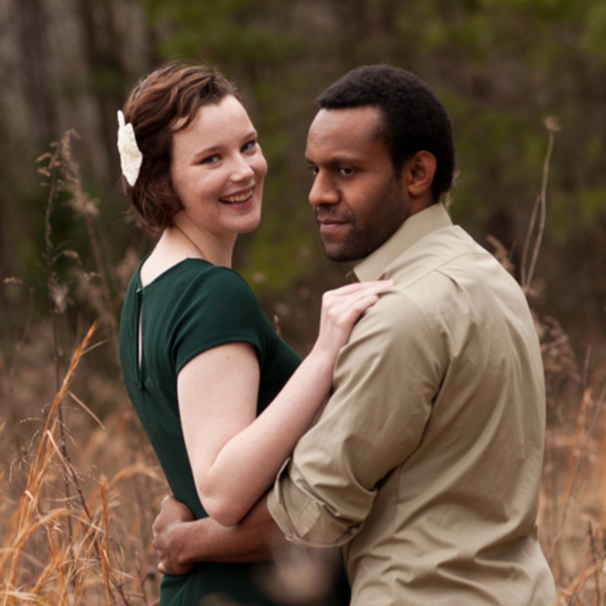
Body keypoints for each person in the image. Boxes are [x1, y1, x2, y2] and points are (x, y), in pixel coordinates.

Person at [152, 64, 558, 605]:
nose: (318, 194)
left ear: (417, 174)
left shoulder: (400, 313)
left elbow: (311, 510)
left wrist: (186, 542)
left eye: (346, 171)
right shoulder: (485, 275)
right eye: (316, 171)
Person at [117, 60, 392, 606]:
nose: (243, 171)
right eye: (211, 159)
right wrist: (324, 354)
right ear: (162, 179)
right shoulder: (213, 293)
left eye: (248, 145)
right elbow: (220, 488)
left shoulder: (146, 288)